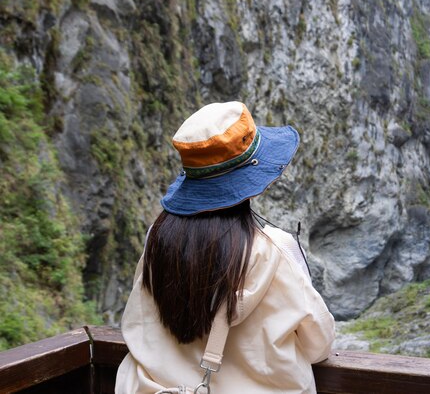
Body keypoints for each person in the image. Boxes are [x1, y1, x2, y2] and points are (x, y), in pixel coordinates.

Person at [115, 101, 335, 393]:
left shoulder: (157, 239)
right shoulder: (274, 249)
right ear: (254, 177)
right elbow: (318, 344)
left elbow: (136, 323)